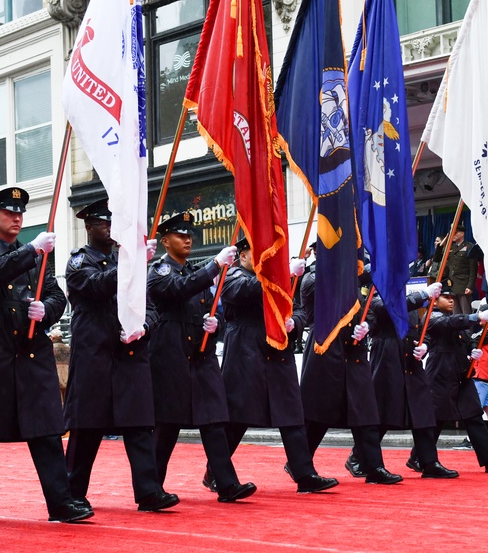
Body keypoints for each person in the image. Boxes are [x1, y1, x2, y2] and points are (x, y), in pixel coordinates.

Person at [0, 187, 92, 524]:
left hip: (31, 350)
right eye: (9, 213)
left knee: (46, 427)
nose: (16, 218)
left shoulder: (35, 255)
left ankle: (60, 502)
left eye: (20, 213)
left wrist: (46, 309)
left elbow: (57, 296)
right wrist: (31, 250)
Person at [64, 199, 179, 512]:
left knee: (139, 424)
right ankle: (71, 492)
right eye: (103, 223)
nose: (110, 229)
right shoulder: (79, 261)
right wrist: (132, 264)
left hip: (129, 351)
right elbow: (95, 286)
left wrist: (143, 327)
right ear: (88, 226)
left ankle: (149, 490)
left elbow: (151, 306)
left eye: (113, 223)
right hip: (95, 352)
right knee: (87, 426)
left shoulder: (127, 261)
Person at [214, 237, 338, 493]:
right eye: (257, 252)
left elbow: (301, 310)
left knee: (291, 414)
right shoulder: (232, 275)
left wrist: (296, 323)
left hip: (278, 350)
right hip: (247, 351)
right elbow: (244, 291)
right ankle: (216, 472)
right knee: (238, 417)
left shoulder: (278, 279)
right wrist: (280, 276)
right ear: (243, 255)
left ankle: (304, 474)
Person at [147, 212, 256, 502]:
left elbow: (213, 308)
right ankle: (152, 487)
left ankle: (226, 483)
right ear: (164, 241)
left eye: (189, 235)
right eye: (179, 235)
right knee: (167, 425)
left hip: (201, 354)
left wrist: (215, 323)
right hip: (171, 354)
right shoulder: (160, 271)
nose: (187, 239)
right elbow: (178, 290)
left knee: (213, 420)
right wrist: (214, 265)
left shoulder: (196, 273)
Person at [296, 264, 401, 485]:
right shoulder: (313, 276)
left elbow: (366, 309)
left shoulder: (350, 279)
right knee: (318, 415)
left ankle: (373, 467)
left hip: (353, 353)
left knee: (365, 413)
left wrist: (366, 325)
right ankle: (300, 463)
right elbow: (321, 295)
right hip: (326, 349)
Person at [348, 282, 458, 480]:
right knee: (383, 411)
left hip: (409, 358)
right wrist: (423, 293)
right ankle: (358, 456)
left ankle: (428, 461)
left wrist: (424, 346)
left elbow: (418, 330)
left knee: (423, 410)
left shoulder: (409, 301)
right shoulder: (375, 297)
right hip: (387, 356)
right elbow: (387, 308)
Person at [419, 292, 488, 474]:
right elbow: (450, 323)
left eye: (452, 297)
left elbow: (465, 338)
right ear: (434, 300)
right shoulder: (431, 317)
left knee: (473, 414)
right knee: (437, 418)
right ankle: (420, 458)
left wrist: (472, 349)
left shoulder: (453, 319)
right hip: (441, 373)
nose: (450, 300)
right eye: (445, 297)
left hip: (461, 372)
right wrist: (475, 316)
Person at [438, 225, 478, 314]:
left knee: (466, 313)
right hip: (452, 285)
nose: (453, 235)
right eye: (452, 233)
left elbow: (473, 269)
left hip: (464, 284)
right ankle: (458, 328)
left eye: (455, 233)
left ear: (462, 234)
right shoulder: (451, 248)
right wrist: (446, 238)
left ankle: (468, 329)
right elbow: (437, 256)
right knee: (455, 314)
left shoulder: (469, 247)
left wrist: (470, 286)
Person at [49, 329, 70, 404]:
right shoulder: (68, 348)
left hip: (56, 377)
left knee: (59, 402)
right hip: (68, 376)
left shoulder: (50, 349)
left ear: (53, 338)